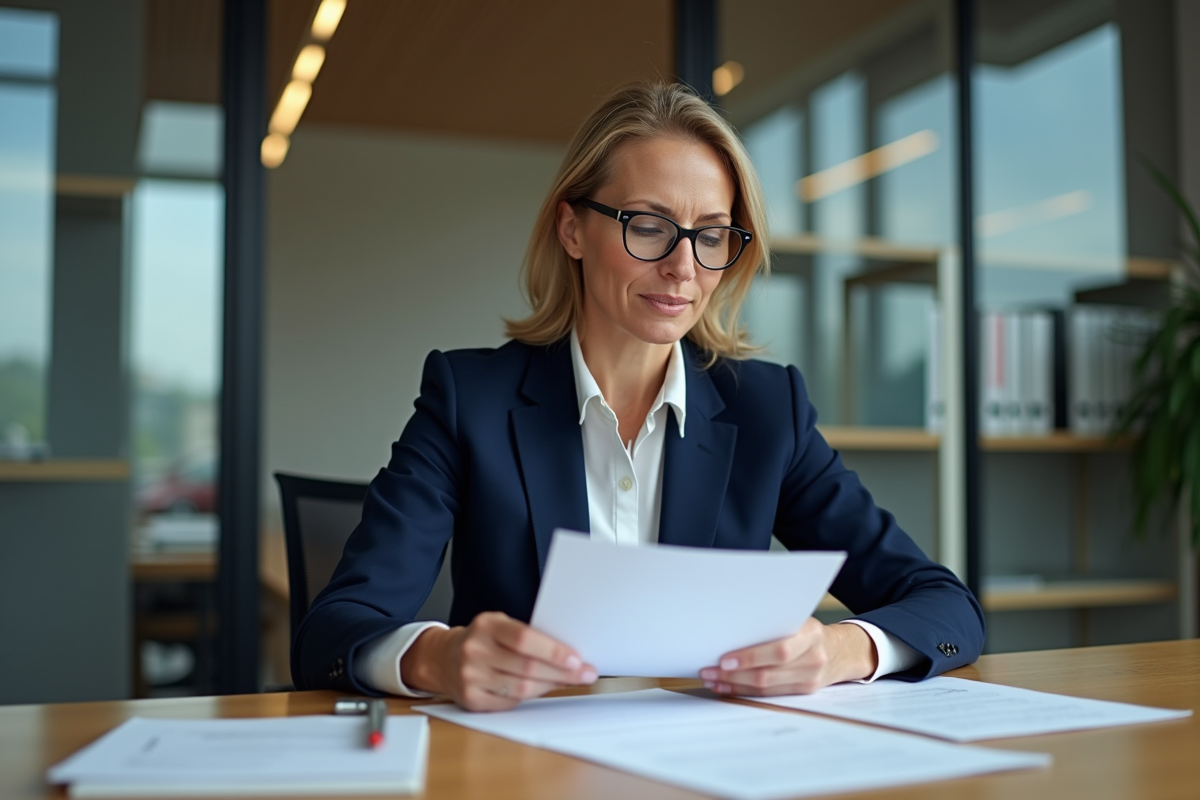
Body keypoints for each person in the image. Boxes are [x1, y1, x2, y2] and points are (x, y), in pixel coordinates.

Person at [292, 81, 984, 711]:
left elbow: (946, 607)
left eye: (711, 235)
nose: (684, 267)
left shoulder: (767, 410)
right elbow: (334, 628)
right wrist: (438, 657)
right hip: (523, 774)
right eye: (649, 226)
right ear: (573, 230)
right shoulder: (468, 398)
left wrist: (838, 651)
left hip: (711, 769)